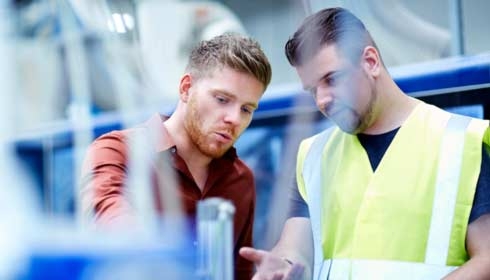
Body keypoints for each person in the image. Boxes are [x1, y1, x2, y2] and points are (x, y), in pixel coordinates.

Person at [240, 7, 490, 280]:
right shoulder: (313, 155)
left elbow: (487, 258)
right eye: (313, 90)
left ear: (370, 62)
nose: (322, 100)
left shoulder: (462, 143)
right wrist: (285, 266)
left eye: (332, 79)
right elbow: (296, 246)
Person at [79, 33, 272, 279]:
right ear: (186, 88)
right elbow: (108, 219)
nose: (234, 118)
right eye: (222, 99)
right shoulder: (117, 150)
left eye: (246, 109)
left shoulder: (241, 180)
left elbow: (239, 272)